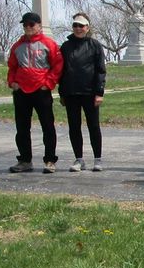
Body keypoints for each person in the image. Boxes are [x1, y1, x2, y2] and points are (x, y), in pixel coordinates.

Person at [7, 11, 63, 173]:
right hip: (21, 91)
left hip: (41, 91)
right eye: (25, 25)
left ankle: (50, 160)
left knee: (47, 126)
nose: (28, 27)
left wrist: (48, 83)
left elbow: (57, 66)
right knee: (22, 128)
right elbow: (12, 67)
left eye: (31, 24)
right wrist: (12, 82)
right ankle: (25, 160)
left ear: (39, 26)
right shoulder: (17, 46)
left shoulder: (49, 44)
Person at [59, 12, 106, 172]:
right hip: (71, 93)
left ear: (87, 27)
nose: (78, 28)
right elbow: (61, 71)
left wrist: (99, 92)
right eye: (75, 25)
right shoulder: (65, 46)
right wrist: (62, 93)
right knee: (74, 126)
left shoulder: (95, 45)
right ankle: (79, 159)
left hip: (90, 93)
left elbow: (100, 71)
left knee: (94, 126)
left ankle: (97, 159)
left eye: (81, 25)